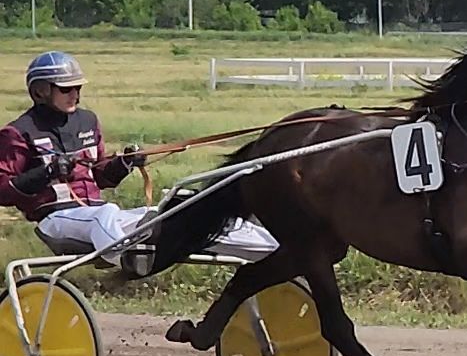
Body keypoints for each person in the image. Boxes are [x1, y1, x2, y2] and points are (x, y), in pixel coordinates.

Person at [0, 52, 275, 273]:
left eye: (78, 87)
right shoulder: (18, 132)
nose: (75, 94)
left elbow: (100, 176)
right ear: (40, 91)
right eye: (66, 88)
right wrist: (47, 172)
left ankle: (274, 249)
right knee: (106, 212)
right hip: (55, 218)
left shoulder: (87, 121)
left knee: (179, 213)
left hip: (99, 217)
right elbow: (3, 191)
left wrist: (125, 163)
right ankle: (125, 260)